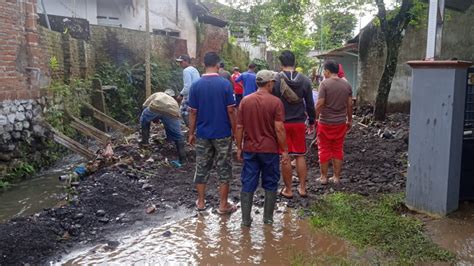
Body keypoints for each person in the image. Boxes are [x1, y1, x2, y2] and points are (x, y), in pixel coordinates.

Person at [236, 70, 289, 226]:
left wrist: (239, 147)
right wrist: (284, 150)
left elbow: (239, 126)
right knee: (271, 183)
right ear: (269, 83)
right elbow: (279, 128)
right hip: (270, 150)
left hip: (250, 149)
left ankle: (245, 220)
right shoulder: (275, 102)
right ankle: (268, 219)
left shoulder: (245, 101)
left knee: (248, 182)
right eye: (273, 82)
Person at [188, 52, 237, 214]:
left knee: (201, 167)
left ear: (204, 64)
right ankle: (223, 205)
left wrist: (191, 133)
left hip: (203, 134)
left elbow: (193, 112)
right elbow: (231, 111)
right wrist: (235, 131)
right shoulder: (225, 85)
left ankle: (201, 202)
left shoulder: (195, 86)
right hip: (223, 133)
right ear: (218, 65)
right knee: (224, 168)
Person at [273, 50, 315, 199]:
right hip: (298, 122)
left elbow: (273, 103)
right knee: (300, 155)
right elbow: (310, 103)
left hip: (282, 123)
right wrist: (311, 121)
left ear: (281, 63)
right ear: (295, 62)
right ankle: (303, 188)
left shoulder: (276, 80)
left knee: (285, 156)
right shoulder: (304, 80)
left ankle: (288, 189)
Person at [316, 60, 353, 184]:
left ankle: (323, 177)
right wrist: (350, 120)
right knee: (337, 148)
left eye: (324, 71)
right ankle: (336, 177)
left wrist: (314, 118)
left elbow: (320, 103)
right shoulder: (347, 84)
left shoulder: (324, 84)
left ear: (327, 71)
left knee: (324, 148)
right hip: (340, 122)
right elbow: (349, 104)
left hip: (325, 122)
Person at [140, 89, 186, 165]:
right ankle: (183, 159)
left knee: (144, 120)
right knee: (178, 136)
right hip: (172, 111)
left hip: (156, 106)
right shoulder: (174, 101)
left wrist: (151, 118)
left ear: (165, 93)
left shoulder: (158, 93)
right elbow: (174, 116)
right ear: (172, 96)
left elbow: (144, 106)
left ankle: (145, 142)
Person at [176, 54, 200, 127]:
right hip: (197, 95)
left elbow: (187, 86)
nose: (180, 64)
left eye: (181, 62)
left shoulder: (186, 71)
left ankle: (191, 129)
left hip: (190, 95)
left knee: (183, 112)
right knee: (194, 113)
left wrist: (181, 95)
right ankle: (195, 129)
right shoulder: (194, 69)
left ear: (186, 61)